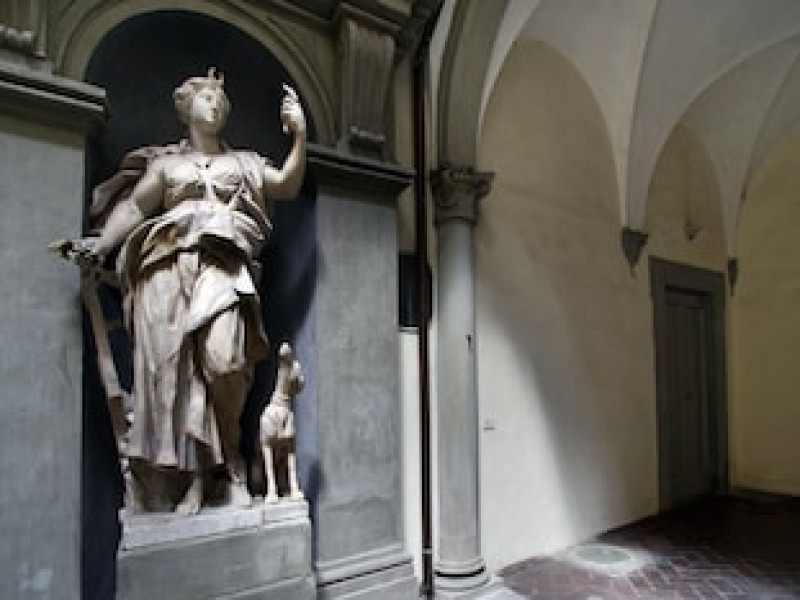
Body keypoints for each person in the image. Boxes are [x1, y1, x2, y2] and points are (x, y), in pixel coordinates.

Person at [72, 68, 306, 515]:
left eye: (219, 99)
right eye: (205, 97)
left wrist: (299, 136)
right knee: (171, 375)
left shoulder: (245, 164)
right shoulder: (166, 166)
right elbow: (134, 208)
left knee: (225, 362)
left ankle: (231, 459)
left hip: (224, 267)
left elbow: (286, 184)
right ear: (185, 108)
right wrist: (100, 245)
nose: (213, 104)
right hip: (165, 268)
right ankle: (195, 477)